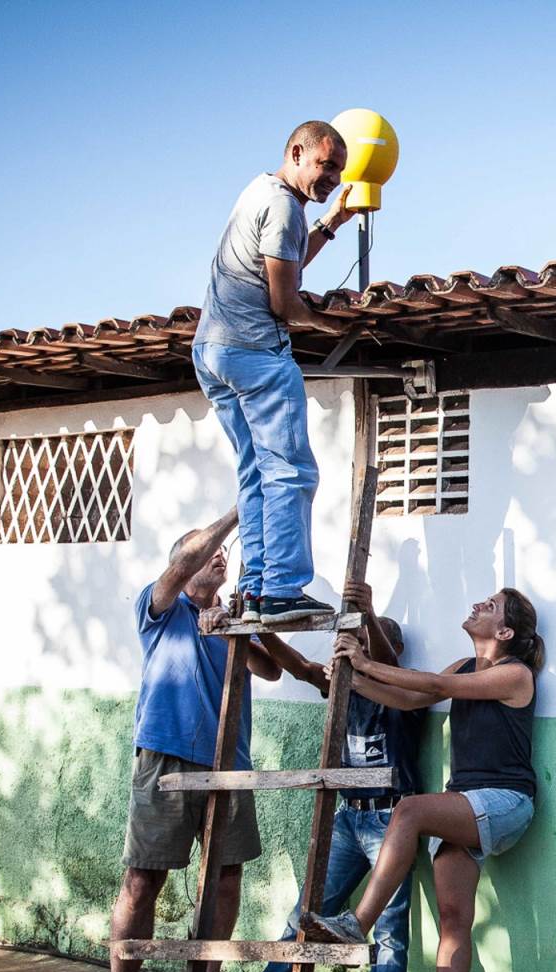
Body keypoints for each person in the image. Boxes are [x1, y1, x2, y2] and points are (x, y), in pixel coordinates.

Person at [299, 589, 544, 972]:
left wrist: (366, 658)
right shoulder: (462, 665)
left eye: (491, 605)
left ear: (505, 633)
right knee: (454, 920)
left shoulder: (515, 673)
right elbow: (411, 697)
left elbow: (429, 681)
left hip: (504, 801)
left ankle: (356, 923)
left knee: (408, 810)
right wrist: (355, 675)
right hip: (466, 803)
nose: (477, 604)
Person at [196, 584, 422, 972]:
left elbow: (388, 662)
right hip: (347, 816)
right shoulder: (341, 685)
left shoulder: (407, 689)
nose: (360, 646)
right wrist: (263, 629)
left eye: (371, 640)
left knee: (387, 934)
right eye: (358, 639)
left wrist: (367, 620)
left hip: (392, 819)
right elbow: (299, 666)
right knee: (303, 919)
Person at [96, 510, 283, 972]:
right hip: (166, 760)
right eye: (208, 553)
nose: (218, 557)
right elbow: (181, 563)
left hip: (228, 764)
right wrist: (240, 513)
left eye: (222, 555)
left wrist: (238, 626)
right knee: (141, 881)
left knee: (225, 880)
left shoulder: (229, 620)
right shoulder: (160, 609)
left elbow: (269, 670)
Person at [193, 120, 357, 625]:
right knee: (291, 470)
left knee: (255, 472)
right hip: (256, 353)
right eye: (325, 164)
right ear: (297, 151)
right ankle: (283, 588)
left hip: (212, 352)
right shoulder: (285, 205)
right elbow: (284, 302)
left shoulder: (260, 192)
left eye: (338, 170)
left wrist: (331, 222)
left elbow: (284, 261)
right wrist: (326, 323)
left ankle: (258, 587)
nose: (331, 176)